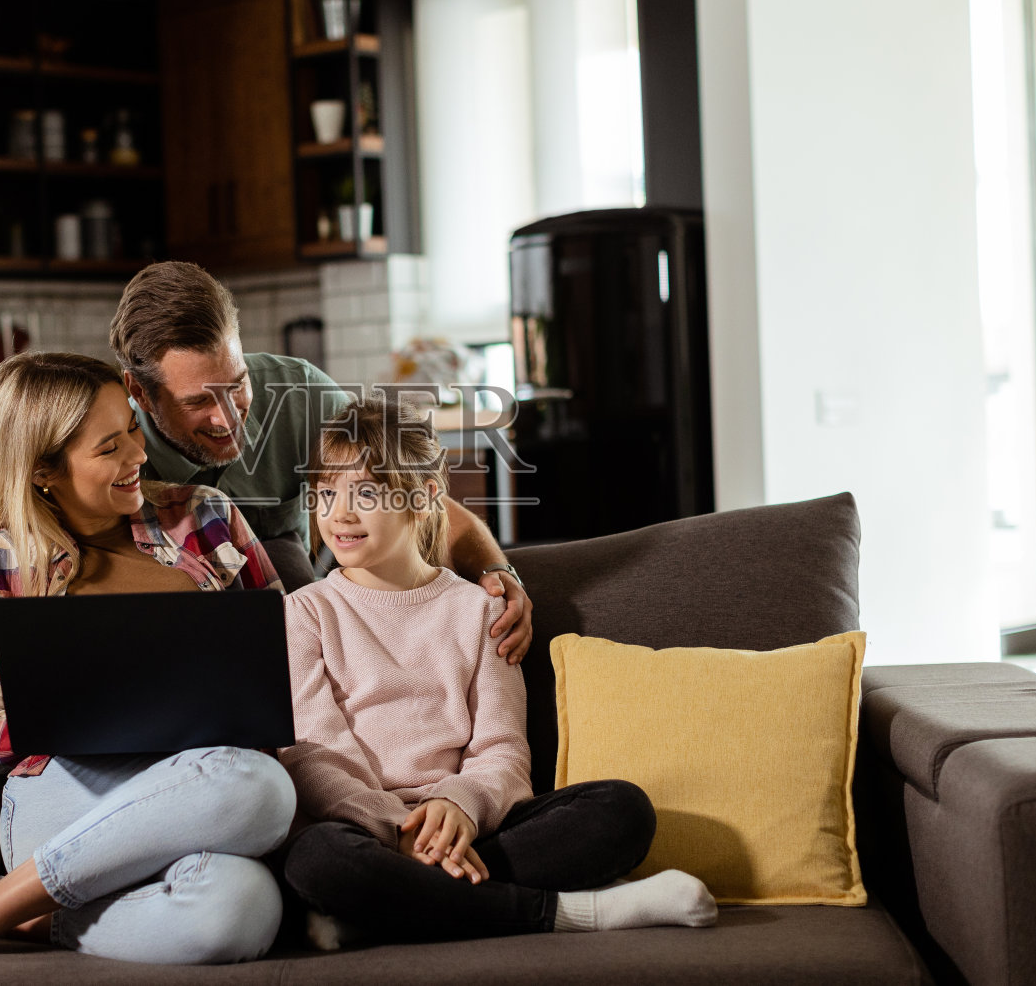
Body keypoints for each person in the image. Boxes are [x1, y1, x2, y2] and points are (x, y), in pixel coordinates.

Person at [0, 353, 295, 967]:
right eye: (109, 447)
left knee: (241, 909)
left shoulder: (207, 519)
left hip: (201, 790)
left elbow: (288, 658)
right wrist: (73, 708)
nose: (138, 457)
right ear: (43, 469)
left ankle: (15, 916)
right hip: (62, 793)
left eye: (134, 431)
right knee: (260, 788)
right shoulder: (1, 560)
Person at [0, 261, 536, 693]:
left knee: (297, 576)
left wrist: (496, 571)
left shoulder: (298, 396)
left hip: (298, 581)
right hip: (184, 644)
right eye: (198, 403)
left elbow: (416, 507)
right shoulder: (113, 460)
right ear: (140, 392)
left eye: (236, 384)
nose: (228, 416)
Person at [278, 396, 717, 946]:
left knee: (622, 810)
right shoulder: (305, 612)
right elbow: (313, 755)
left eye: (365, 492)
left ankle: (383, 910)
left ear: (425, 495)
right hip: (363, 832)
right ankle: (561, 913)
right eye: (324, 493)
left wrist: (458, 804)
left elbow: (504, 752)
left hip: (472, 826)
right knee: (318, 860)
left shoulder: (482, 611)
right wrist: (397, 833)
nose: (338, 513)